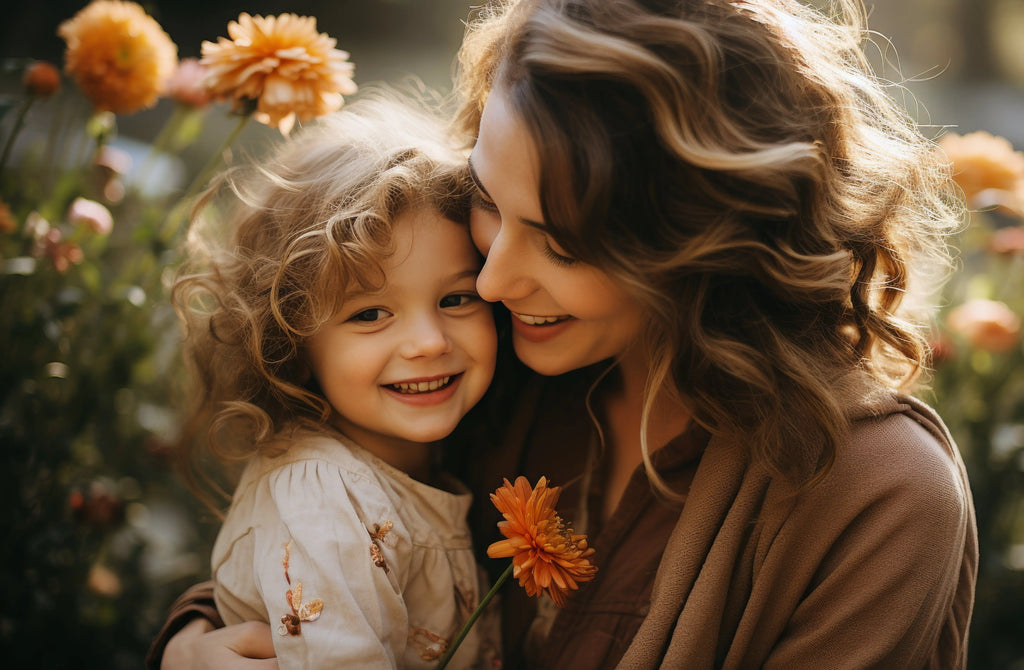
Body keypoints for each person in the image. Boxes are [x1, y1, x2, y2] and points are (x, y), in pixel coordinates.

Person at [151, 0, 978, 668]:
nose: (493, 281)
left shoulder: (876, 499)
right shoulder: (495, 365)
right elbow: (323, 540)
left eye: (563, 242)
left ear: (705, 243)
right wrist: (193, 645)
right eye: (488, 201)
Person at [165, 93, 500, 669]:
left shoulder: (412, 458)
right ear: (290, 342)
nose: (429, 341)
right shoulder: (324, 499)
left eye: (456, 298)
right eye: (369, 314)